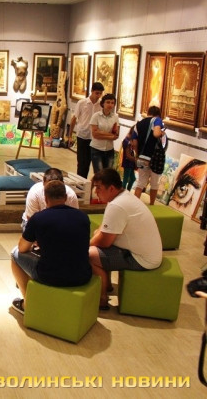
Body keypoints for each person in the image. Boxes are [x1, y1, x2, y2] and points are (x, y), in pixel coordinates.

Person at [10, 181, 92, 314]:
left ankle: (27, 304)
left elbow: (22, 248)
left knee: (14, 254)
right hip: (83, 275)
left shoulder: (38, 218)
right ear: (65, 197)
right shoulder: (83, 217)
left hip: (50, 276)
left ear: (46, 199)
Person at [88, 169, 162, 309]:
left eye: (98, 188)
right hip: (148, 254)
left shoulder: (117, 205)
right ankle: (107, 285)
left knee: (88, 255)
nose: (96, 192)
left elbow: (105, 241)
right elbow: (104, 230)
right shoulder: (123, 196)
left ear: (111, 188)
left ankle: (102, 299)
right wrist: (98, 236)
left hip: (142, 259)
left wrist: (85, 245)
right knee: (98, 246)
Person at [67, 82, 104, 178]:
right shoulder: (82, 103)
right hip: (83, 136)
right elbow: (74, 119)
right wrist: (70, 136)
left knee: (96, 164)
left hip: (95, 138)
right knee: (82, 163)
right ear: (92, 91)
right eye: (96, 93)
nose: (98, 96)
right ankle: (80, 183)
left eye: (100, 93)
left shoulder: (101, 105)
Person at [132, 106, 166, 205]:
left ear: (148, 113)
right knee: (154, 183)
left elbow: (134, 143)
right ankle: (151, 204)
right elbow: (156, 134)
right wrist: (162, 133)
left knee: (140, 183)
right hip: (154, 158)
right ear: (158, 114)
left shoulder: (138, 124)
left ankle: (135, 204)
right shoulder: (157, 120)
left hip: (142, 157)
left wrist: (138, 155)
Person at [90, 93, 119, 173]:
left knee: (108, 173)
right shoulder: (96, 116)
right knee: (99, 173)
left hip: (109, 149)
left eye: (112, 103)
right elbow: (95, 134)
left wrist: (101, 133)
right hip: (97, 149)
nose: (110, 105)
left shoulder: (115, 117)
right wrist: (110, 135)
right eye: (108, 102)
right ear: (103, 103)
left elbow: (116, 135)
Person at [121, 126, 137, 191]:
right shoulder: (127, 141)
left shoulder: (130, 140)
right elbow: (128, 155)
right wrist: (136, 160)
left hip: (131, 163)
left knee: (132, 178)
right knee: (125, 179)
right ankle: (123, 192)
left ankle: (127, 191)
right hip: (128, 163)